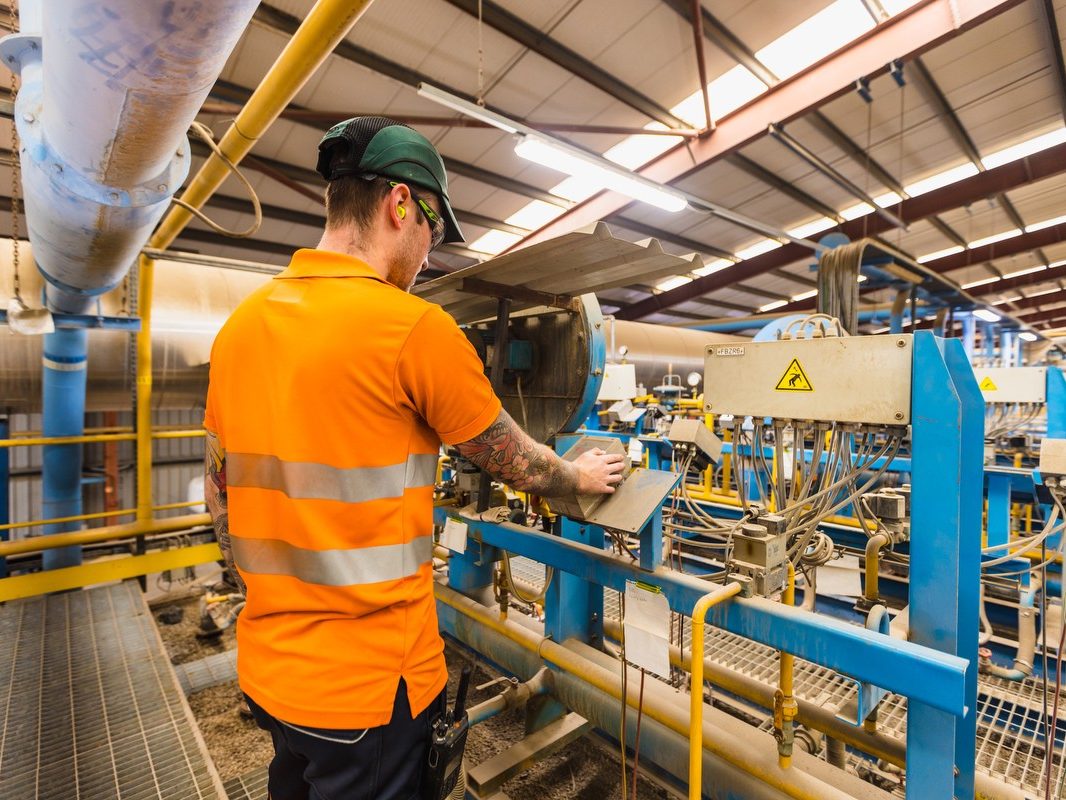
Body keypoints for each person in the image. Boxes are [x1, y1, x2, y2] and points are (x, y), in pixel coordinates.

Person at [203, 115, 624, 800]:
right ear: (400, 204)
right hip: (370, 692)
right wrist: (578, 475)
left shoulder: (239, 330)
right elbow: (512, 458)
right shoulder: (414, 329)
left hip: (272, 675)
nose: (430, 252)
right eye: (433, 227)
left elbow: (219, 496)